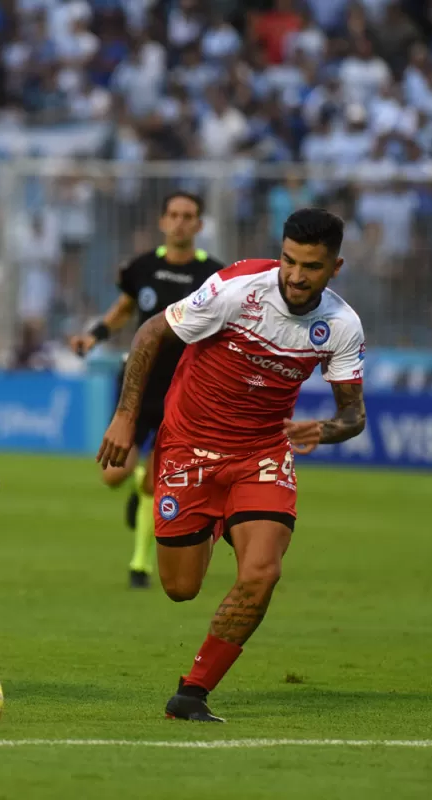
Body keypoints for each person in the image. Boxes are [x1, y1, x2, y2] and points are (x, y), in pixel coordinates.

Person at [98, 208, 367, 722]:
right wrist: (126, 419)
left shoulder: (340, 325)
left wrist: (326, 430)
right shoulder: (236, 288)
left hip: (261, 454)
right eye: (289, 260)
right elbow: (153, 333)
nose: (294, 275)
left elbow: (353, 413)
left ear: (335, 267)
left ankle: (192, 693)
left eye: (310, 266)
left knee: (262, 572)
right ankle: (217, 521)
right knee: (181, 589)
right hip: (188, 446)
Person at [70, 192, 224, 590]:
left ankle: (139, 566)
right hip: (137, 385)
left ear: (199, 225)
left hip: (185, 392)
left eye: (188, 216)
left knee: (156, 481)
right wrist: (95, 336)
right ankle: (137, 495)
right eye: (173, 215)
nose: (180, 223)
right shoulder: (143, 267)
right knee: (112, 475)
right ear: (162, 221)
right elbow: (124, 308)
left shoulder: (215, 278)